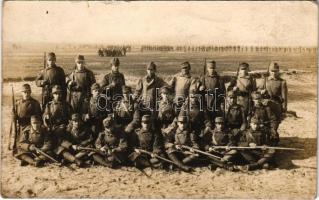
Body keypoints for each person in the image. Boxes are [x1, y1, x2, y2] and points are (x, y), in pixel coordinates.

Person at [258, 62, 287, 136]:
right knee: (265, 123)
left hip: (276, 106)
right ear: (269, 71)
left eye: (275, 71)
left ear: (278, 71)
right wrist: (261, 91)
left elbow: (284, 97)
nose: (273, 73)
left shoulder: (282, 82)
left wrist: (284, 109)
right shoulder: (264, 80)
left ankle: (273, 138)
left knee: (275, 124)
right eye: (272, 71)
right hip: (266, 105)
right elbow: (257, 91)